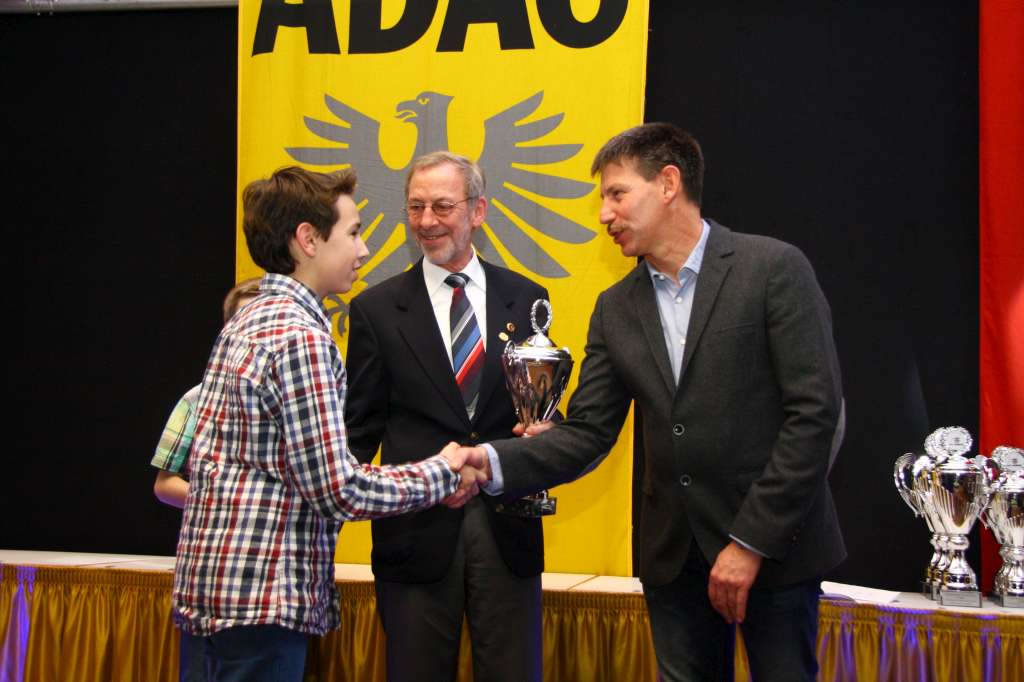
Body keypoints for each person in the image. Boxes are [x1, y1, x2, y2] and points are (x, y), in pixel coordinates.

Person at [471, 123, 846, 681]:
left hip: (776, 549)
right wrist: (492, 461)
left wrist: (750, 542)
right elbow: (589, 431)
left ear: (669, 183)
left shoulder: (773, 269)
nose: (604, 214)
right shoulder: (615, 307)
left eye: (616, 194)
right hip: (674, 561)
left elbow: (815, 417)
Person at [172, 166, 486, 682]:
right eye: (354, 233)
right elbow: (337, 489)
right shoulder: (300, 337)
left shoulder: (248, 320)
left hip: (219, 592)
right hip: (261, 599)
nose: (364, 250)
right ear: (308, 239)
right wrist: (443, 471)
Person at [344, 152, 549, 682]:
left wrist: (545, 433)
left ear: (478, 210)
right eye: (415, 207)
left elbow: (538, 405)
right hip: (414, 535)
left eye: (442, 206)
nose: (426, 221)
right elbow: (358, 431)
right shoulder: (375, 310)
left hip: (507, 530)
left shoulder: (527, 299)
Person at [151, 278, 261, 509]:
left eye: (261, 322)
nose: (253, 333)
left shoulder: (301, 396)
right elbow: (165, 484)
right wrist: (231, 504)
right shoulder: (196, 399)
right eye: (244, 322)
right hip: (218, 527)